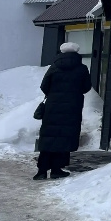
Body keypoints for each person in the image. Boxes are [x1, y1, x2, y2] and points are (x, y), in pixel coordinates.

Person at [33, 42, 92, 180]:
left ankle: (41, 171)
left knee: (49, 137)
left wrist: (54, 94)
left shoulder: (54, 67)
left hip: (52, 107)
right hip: (72, 107)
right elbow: (86, 87)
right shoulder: (82, 68)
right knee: (64, 138)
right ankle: (57, 169)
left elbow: (44, 86)